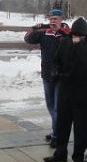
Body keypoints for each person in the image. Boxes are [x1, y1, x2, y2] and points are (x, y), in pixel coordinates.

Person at [44, 17, 87, 162]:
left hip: (83, 94)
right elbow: (56, 60)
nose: (75, 38)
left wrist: (80, 45)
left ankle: (79, 159)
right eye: (74, 35)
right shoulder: (65, 42)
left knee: (81, 130)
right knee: (62, 126)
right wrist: (55, 71)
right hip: (65, 91)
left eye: (79, 36)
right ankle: (60, 152)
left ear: (86, 35)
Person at [24, 8, 70, 147]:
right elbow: (28, 39)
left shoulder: (67, 32)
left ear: (61, 19)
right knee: (50, 106)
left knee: (57, 108)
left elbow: (74, 40)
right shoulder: (45, 32)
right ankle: (56, 130)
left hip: (61, 75)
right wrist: (35, 28)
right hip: (47, 74)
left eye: (55, 19)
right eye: (50, 19)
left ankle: (57, 135)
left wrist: (60, 31)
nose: (52, 21)